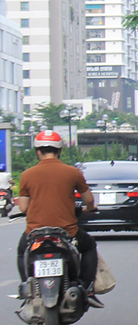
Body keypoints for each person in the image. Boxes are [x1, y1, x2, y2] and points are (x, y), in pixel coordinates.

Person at [13, 129, 102, 305]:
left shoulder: (27, 175)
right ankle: (86, 287)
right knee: (89, 245)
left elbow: (23, 207)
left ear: (37, 151)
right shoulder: (72, 172)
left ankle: (27, 287)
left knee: (22, 251)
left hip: (35, 233)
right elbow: (89, 201)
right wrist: (88, 209)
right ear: (59, 150)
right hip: (67, 232)